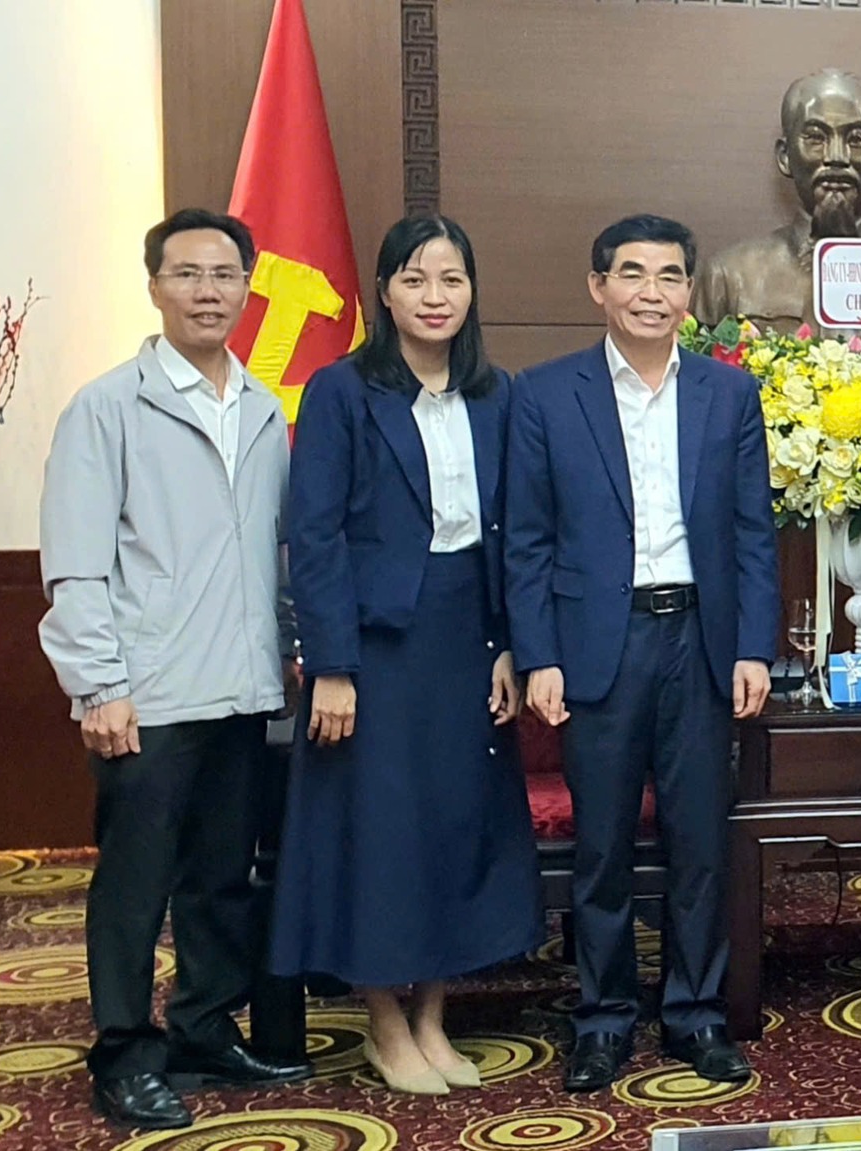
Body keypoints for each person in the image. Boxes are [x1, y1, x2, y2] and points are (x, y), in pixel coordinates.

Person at [39, 209, 311, 1131]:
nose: (207, 291)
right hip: (145, 695)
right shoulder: (109, 405)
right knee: (135, 881)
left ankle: (203, 1026)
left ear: (247, 287)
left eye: (225, 275)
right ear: (154, 285)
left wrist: (288, 648)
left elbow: (275, 553)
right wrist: (98, 685)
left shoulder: (264, 406)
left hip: (242, 686)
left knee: (220, 877)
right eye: (188, 274)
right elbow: (76, 562)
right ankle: (123, 1051)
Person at [507, 213, 779, 1091]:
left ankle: (697, 1014)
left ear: (689, 293)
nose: (651, 293)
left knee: (701, 843)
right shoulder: (546, 394)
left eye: (669, 276)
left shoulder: (728, 393)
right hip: (600, 642)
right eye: (632, 274)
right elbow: (528, 541)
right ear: (599, 287)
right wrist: (539, 654)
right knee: (603, 848)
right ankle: (603, 1018)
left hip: (700, 638)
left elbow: (752, 531)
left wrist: (753, 646)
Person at [271, 215, 541, 1095]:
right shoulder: (341, 391)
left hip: (468, 636)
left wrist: (509, 644)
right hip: (376, 646)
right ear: (383, 292)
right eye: (415, 279)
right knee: (380, 834)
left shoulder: (497, 395)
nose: (435, 297)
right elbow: (313, 536)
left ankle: (432, 1017)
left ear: (472, 292)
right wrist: (332, 663)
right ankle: (384, 1024)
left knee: (454, 825)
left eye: (451, 279)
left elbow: (516, 531)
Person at [691, 68, 861, 331]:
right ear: (785, 156)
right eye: (816, 138)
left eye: (856, 139)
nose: (836, 157)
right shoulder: (729, 275)